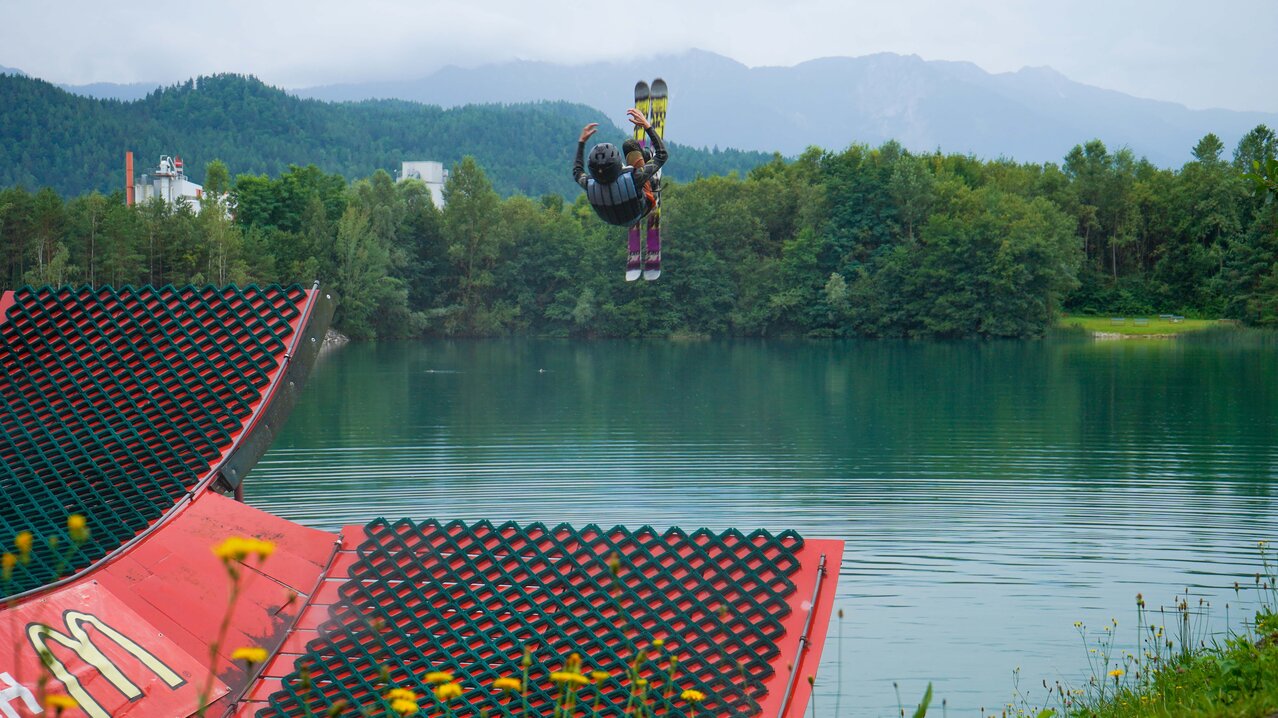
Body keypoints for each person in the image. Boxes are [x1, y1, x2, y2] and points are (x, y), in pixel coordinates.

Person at [572, 108, 667, 229]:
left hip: (614, 219)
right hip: (641, 210)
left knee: (632, 176)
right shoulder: (635, 178)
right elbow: (662, 154)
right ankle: (653, 182)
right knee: (630, 146)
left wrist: (581, 143)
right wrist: (647, 126)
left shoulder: (588, 183)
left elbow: (577, 172)